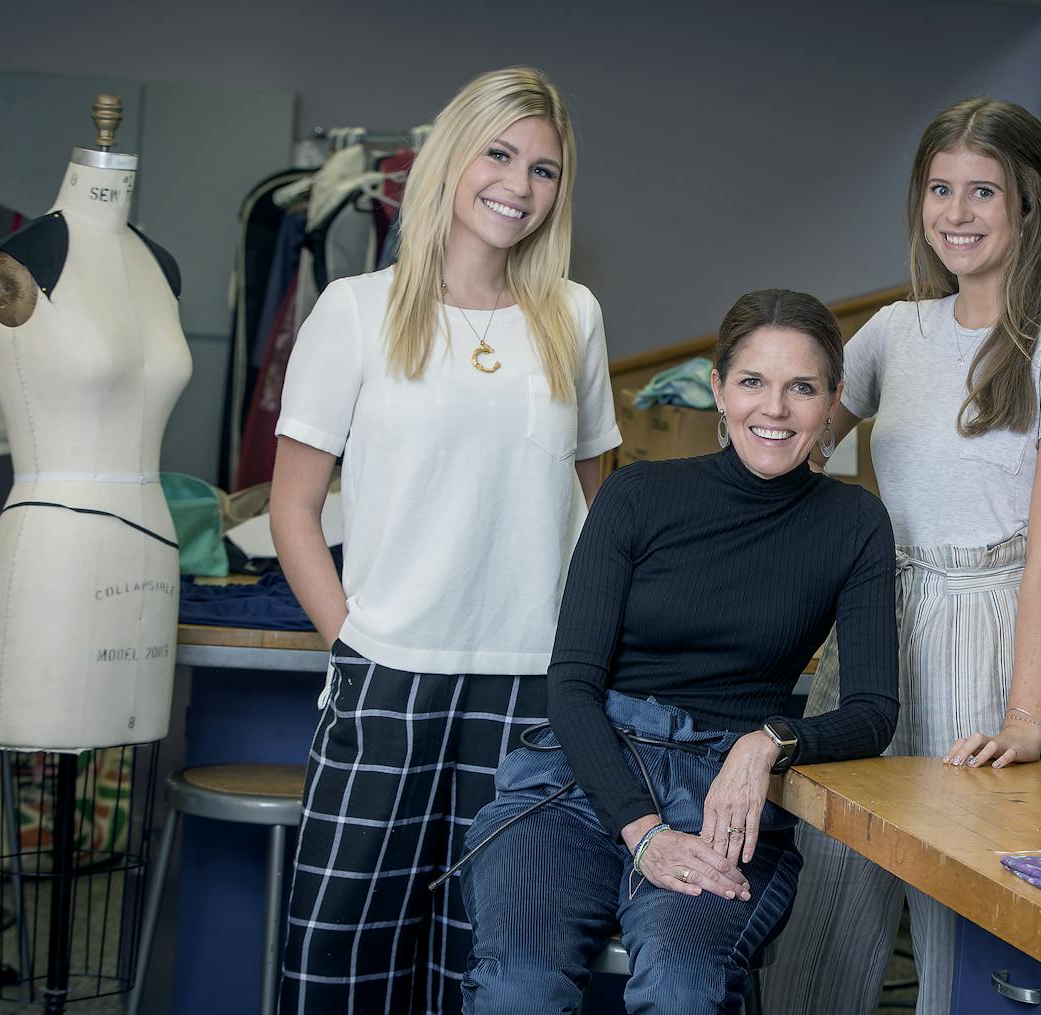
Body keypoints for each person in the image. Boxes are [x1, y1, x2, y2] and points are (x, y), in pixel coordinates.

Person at [271, 66, 620, 1014]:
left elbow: (602, 515)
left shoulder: (573, 317)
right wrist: (351, 639)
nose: (519, 183)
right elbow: (293, 509)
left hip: (531, 684)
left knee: (494, 946)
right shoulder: (355, 309)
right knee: (344, 936)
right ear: (450, 161)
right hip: (388, 669)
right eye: (499, 154)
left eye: (544, 169)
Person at [765, 97, 1041, 1015]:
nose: (956, 212)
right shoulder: (892, 331)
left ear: (1029, 204)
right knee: (827, 892)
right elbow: (788, 452)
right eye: (939, 188)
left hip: (992, 622)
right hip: (879, 618)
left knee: (963, 912)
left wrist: (1027, 720)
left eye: (982, 191)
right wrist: (759, 395)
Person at [458, 289, 900, 1014]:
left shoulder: (854, 522)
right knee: (519, 988)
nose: (776, 408)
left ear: (833, 400)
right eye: (754, 381)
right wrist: (643, 830)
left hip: (723, 797)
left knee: (683, 991)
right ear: (719, 389)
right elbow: (570, 684)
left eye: (802, 387)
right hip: (581, 782)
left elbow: (874, 712)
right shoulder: (636, 495)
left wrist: (770, 741)